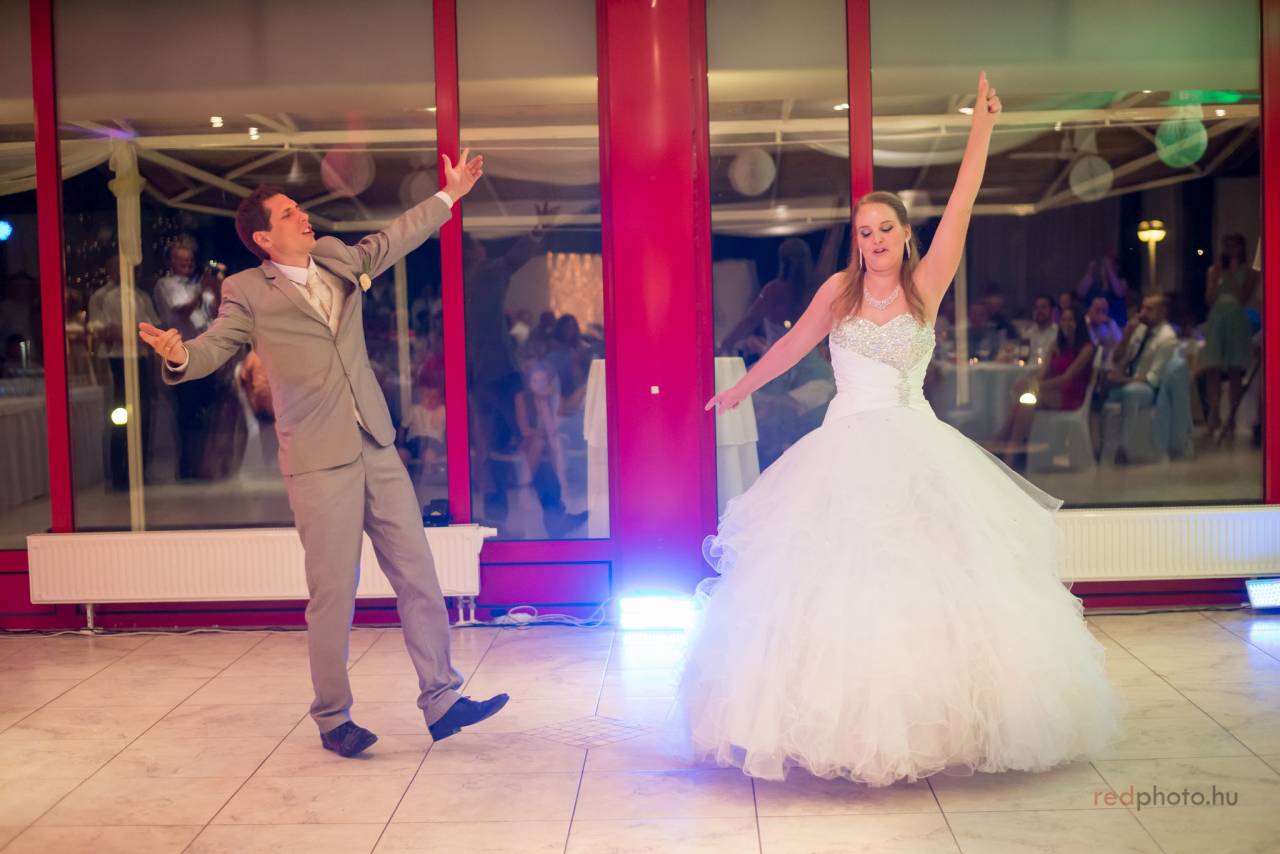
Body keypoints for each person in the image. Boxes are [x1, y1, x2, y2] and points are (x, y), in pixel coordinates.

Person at [687, 74, 1123, 786]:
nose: (875, 240)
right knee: (837, 582)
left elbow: (963, 203)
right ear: (856, 241)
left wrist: (981, 128)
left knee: (934, 580)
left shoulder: (926, 286)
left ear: (904, 234)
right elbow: (794, 344)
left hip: (917, 444)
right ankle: (832, 726)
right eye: (864, 232)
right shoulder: (838, 291)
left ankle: (935, 725)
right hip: (843, 448)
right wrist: (741, 387)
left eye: (885, 228)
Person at [138, 150, 507, 758]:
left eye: (299, 208)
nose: (302, 215)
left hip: (375, 444)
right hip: (316, 456)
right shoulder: (245, 291)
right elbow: (213, 348)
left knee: (419, 574)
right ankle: (334, 718)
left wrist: (450, 195)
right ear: (264, 237)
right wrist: (179, 354)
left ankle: (442, 699)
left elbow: (394, 238)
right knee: (334, 593)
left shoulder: (335, 256)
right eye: (289, 213)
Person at [989, 306, 1096, 469]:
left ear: (1079, 323)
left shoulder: (1087, 348)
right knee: (1024, 401)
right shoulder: (1056, 345)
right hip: (1054, 391)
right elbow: (1042, 373)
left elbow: (1067, 378)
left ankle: (1004, 449)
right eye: (1064, 320)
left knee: (1027, 401)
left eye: (1071, 320)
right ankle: (1007, 448)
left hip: (1072, 394)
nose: (1067, 324)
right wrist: (1030, 383)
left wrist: (1037, 386)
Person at [88, 255, 160, 490]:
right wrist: (125, 334)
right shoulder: (104, 297)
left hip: (139, 358)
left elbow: (150, 329)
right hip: (116, 360)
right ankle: (119, 473)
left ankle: (139, 470)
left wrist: (136, 336)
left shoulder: (141, 296)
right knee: (119, 415)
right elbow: (103, 330)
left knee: (143, 414)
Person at [1091, 293, 1178, 465]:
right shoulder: (1139, 329)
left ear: (1162, 312)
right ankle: (1098, 445)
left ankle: (1123, 448)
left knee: (1131, 392)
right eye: (1142, 308)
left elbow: (1152, 379)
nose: (1143, 313)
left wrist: (1121, 380)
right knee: (1099, 389)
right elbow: (1117, 359)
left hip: (1150, 389)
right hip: (1129, 379)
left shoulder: (1167, 338)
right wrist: (1127, 334)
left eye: (1149, 309)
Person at [1198, 233, 1259, 439]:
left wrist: (1232, 273)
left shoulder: (1250, 273)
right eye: (1227, 245)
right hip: (1217, 318)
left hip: (1236, 318)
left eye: (1234, 245)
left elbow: (1242, 297)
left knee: (1234, 370)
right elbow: (1209, 299)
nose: (1230, 249)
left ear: (1242, 248)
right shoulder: (1214, 271)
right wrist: (1215, 278)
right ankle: (1214, 414)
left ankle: (1232, 416)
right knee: (1212, 367)